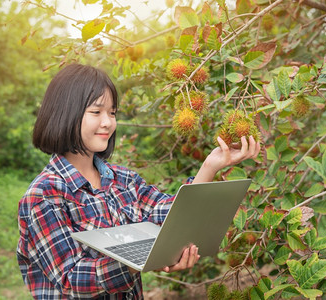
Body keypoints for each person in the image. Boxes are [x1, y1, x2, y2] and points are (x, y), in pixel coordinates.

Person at [17, 63, 261, 299]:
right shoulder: (44, 195)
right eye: (96, 112)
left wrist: (210, 165)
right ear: (65, 113)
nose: (108, 122)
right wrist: (140, 260)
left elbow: (168, 217)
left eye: (112, 112)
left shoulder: (123, 180)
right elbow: (71, 278)